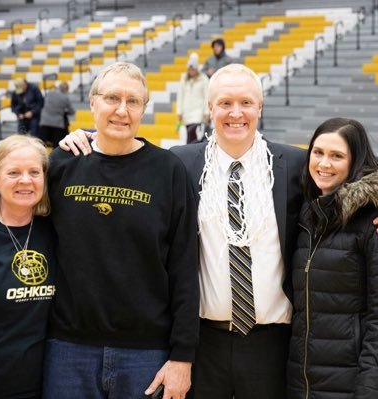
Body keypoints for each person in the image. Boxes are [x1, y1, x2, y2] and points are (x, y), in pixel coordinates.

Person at [60, 63, 306, 399]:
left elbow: (348, 183)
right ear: (209, 109)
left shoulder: (295, 166)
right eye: (224, 103)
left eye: (247, 103)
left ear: (260, 108)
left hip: (274, 342)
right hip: (204, 342)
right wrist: (87, 136)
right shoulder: (179, 164)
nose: (236, 113)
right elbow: (121, 150)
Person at [42, 62, 199, 399]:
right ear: (93, 102)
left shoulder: (168, 170)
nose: (122, 110)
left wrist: (182, 356)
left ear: (144, 109)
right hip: (68, 349)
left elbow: (185, 267)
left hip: (146, 354)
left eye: (133, 101)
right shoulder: (61, 164)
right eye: (112, 98)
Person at [287, 118, 378, 398]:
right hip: (299, 384)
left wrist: (369, 387)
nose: (324, 164)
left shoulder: (370, 223)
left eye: (337, 156)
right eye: (318, 153)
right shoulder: (304, 216)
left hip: (351, 384)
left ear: (356, 161)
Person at [0, 134, 56, 398]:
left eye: (34, 172)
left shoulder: (54, 231)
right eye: (13, 172)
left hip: (43, 385)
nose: (26, 180)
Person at [177, 53, 209, 143]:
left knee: (193, 137)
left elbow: (207, 96)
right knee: (189, 135)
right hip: (187, 113)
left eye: (193, 69)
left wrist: (206, 112)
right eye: (190, 69)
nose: (191, 71)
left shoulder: (204, 79)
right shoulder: (184, 79)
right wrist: (179, 112)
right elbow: (180, 95)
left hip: (198, 113)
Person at [39, 81, 75, 148]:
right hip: (57, 124)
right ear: (66, 89)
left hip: (44, 121)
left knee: (41, 143)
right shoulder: (65, 98)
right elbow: (72, 111)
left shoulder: (49, 93)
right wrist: (64, 112)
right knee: (57, 145)